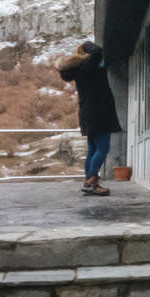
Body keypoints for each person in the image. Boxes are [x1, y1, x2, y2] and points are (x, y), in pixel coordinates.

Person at [58, 40, 120, 197]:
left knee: (93, 148)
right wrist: (85, 45)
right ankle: (91, 181)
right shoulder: (88, 66)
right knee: (103, 147)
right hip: (99, 111)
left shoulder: (79, 70)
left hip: (87, 112)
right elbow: (98, 51)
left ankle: (91, 184)